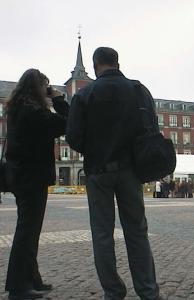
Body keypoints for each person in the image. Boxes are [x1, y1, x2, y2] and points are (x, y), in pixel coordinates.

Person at [66, 47, 161, 300]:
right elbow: (152, 127)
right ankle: (148, 292)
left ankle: (113, 292)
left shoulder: (84, 95)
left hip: (98, 172)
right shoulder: (139, 90)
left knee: (102, 233)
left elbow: (73, 138)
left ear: (96, 65)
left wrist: (95, 147)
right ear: (117, 63)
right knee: (137, 231)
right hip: (131, 170)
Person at [4, 69, 69, 300]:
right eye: (45, 86)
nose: (47, 90)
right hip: (31, 178)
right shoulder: (33, 112)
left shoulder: (19, 108)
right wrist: (58, 98)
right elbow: (66, 123)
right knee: (27, 232)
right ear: (38, 88)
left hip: (22, 176)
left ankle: (32, 279)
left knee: (29, 231)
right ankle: (18, 287)